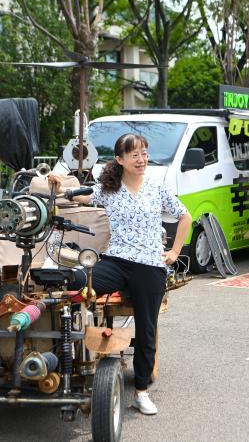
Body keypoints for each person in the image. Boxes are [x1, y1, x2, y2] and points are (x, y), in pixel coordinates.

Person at [69, 133, 191, 415]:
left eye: (144, 153)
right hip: (116, 261)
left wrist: (173, 252)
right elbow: (80, 195)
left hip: (149, 265)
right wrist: (57, 185)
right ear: (120, 159)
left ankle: (141, 391)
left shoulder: (156, 188)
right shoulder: (108, 188)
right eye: (134, 154)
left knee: (147, 328)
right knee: (76, 279)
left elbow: (185, 217)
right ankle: (78, 361)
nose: (141, 159)